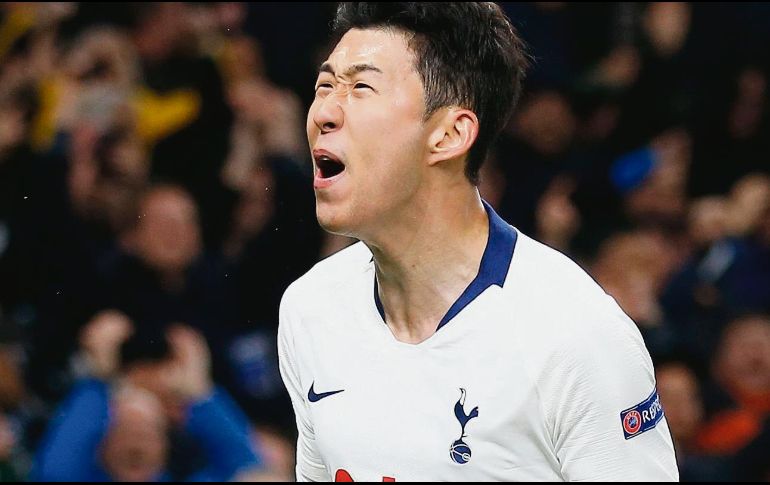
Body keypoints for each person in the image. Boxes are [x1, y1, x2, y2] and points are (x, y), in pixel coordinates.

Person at [278, 2, 678, 481]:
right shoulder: (310, 310)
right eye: (325, 86)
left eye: (361, 87)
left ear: (449, 134)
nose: (324, 111)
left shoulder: (576, 338)